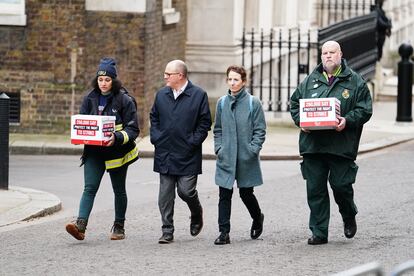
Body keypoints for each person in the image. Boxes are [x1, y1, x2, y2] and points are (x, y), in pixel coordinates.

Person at [290, 41, 372, 245]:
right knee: (315, 189)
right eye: (324, 53)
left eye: (332, 52)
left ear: (340, 54)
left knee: (341, 185)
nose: (328, 56)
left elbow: (365, 109)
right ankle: (319, 232)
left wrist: (347, 120)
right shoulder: (310, 80)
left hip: (340, 146)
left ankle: (348, 214)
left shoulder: (355, 81)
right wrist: (301, 121)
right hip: (313, 146)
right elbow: (294, 104)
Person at [65, 57, 139, 241]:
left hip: (118, 152)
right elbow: (82, 123)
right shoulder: (89, 99)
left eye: (107, 80)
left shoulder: (125, 100)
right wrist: (79, 134)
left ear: (114, 80)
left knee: (119, 190)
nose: (103, 83)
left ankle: (119, 226)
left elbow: (133, 129)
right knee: (89, 188)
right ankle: (80, 226)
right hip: (94, 152)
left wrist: (117, 137)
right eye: (100, 79)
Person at [150, 59, 211, 244]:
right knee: (165, 196)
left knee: (186, 191)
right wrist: (156, 138)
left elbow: (204, 123)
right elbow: (154, 117)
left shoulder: (199, 95)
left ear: (180, 76)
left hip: (187, 154)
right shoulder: (161, 95)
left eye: (168, 74)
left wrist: (192, 142)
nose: (165, 77)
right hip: (165, 152)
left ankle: (196, 211)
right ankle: (167, 230)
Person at [213, 65, 266, 245]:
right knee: (224, 194)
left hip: (246, 157)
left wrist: (253, 150)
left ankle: (257, 217)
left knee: (246, 193)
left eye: (236, 79)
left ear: (243, 81)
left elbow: (260, 130)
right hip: (226, 156)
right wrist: (219, 148)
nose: (233, 83)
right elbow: (217, 129)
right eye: (230, 79)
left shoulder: (253, 103)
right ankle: (223, 232)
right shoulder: (221, 102)